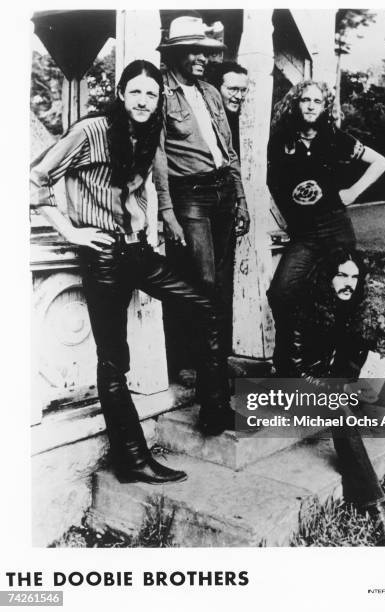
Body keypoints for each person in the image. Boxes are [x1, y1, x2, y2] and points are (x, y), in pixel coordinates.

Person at [30, 60, 233, 483]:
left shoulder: (145, 135)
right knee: (114, 360)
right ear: (122, 93)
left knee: (207, 305)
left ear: (159, 100)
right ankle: (132, 459)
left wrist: (147, 225)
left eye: (151, 94)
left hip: (137, 253)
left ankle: (215, 405)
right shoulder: (91, 131)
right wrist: (73, 231)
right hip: (103, 256)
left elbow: (142, 190)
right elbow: (35, 178)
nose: (143, 101)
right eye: (136, 92)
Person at [287, 248, 385, 545]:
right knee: (339, 407)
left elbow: (358, 352)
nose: (349, 283)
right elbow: (292, 369)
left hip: (340, 379)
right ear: (327, 277)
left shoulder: (351, 305)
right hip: (304, 388)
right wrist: (338, 390)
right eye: (341, 275)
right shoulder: (302, 310)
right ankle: (373, 505)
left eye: (354, 277)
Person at [153, 15, 250, 397]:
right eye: (194, 51)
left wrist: (240, 198)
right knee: (204, 282)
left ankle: (211, 366)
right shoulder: (161, 92)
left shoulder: (210, 91)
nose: (201, 58)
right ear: (175, 53)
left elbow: (228, 150)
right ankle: (211, 389)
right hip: (189, 195)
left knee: (220, 286)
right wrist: (166, 211)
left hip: (223, 191)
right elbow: (158, 156)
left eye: (206, 52)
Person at [267, 80, 385, 376]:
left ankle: (340, 368)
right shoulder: (281, 139)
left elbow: (380, 162)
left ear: (325, 106)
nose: (310, 105)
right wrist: (289, 218)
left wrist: (353, 192)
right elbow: (274, 184)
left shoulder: (335, 138)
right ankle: (290, 368)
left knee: (345, 297)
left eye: (317, 101)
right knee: (282, 293)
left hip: (336, 228)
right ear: (296, 104)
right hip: (305, 235)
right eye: (304, 100)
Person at [205, 60, 249, 158]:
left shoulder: (243, 123)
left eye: (243, 90)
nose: (239, 96)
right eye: (233, 89)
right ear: (216, 89)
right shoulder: (204, 119)